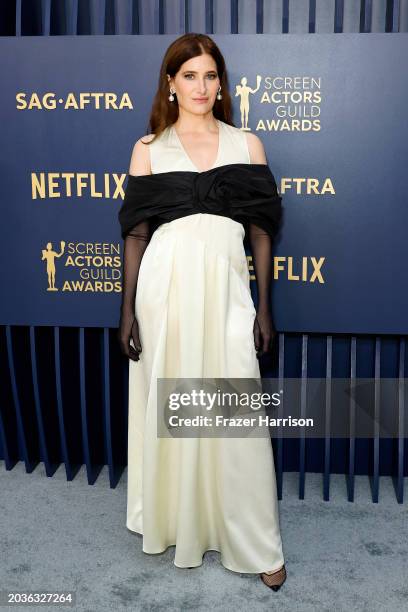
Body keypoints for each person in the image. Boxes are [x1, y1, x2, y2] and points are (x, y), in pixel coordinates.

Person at [117, 33, 286, 592]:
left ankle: (258, 539)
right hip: (164, 292)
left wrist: (263, 308)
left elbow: (260, 230)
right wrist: (127, 314)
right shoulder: (148, 147)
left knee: (236, 415)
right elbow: (137, 236)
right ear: (171, 82)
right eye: (190, 75)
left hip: (226, 288)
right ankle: (181, 523)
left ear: (222, 84)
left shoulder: (247, 144)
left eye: (211, 76)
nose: (201, 87)